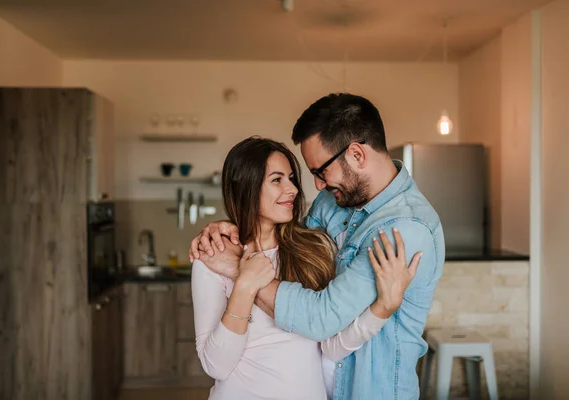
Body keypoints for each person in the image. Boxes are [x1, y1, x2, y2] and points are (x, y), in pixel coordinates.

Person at [191, 93, 445, 399]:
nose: (313, 187)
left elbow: (320, 320)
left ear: (356, 155)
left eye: (320, 172)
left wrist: (238, 269)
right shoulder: (333, 201)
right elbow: (289, 236)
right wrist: (226, 230)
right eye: (279, 179)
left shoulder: (405, 227)